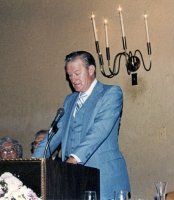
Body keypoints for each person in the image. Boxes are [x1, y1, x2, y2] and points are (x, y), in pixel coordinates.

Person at [32, 51, 131, 199]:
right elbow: (53, 136)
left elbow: (100, 130)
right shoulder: (69, 100)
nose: (73, 79)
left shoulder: (110, 93)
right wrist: (32, 164)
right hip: (73, 179)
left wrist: (73, 158)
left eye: (77, 73)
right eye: (70, 75)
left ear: (91, 70)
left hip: (104, 177)